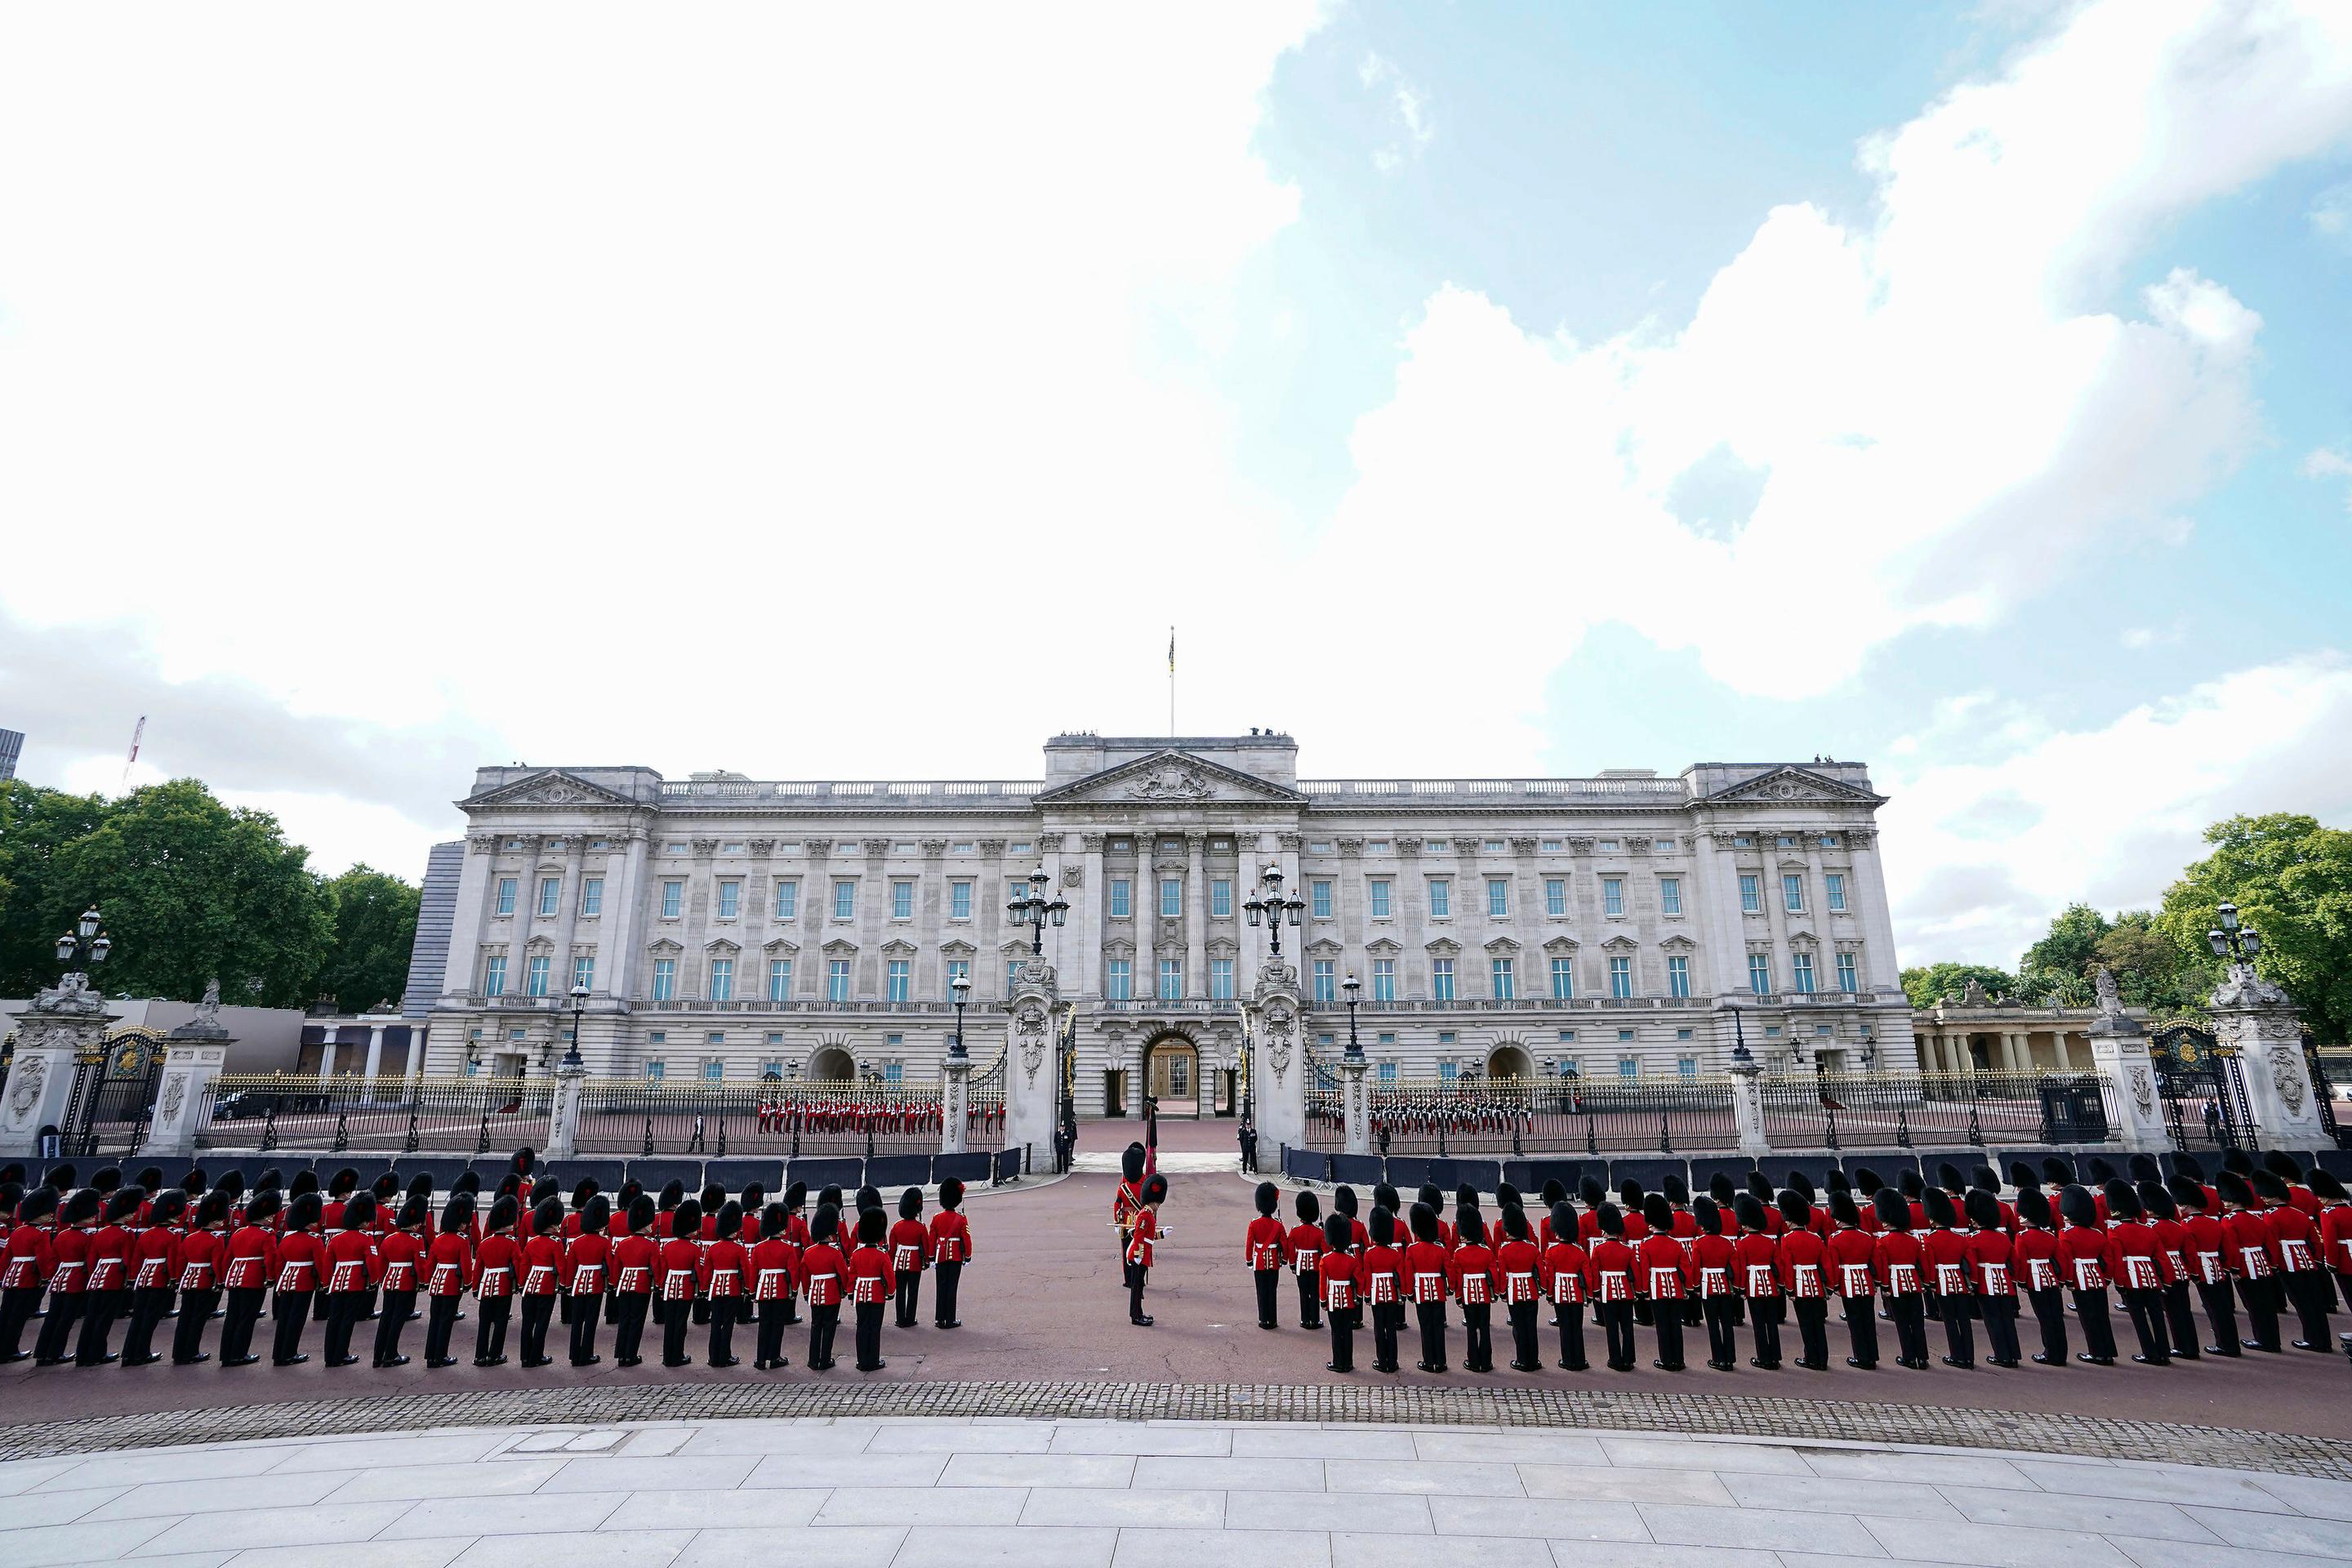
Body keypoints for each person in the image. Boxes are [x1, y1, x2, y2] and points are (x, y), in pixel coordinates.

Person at [2253, 1170, 2333, 1350]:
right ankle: (2324, 1339)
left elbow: (2272, 1243)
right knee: (2315, 1302)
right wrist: (2316, 1259)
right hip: (2308, 1261)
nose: (2262, 1198)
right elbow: (2316, 1240)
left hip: (2287, 1262)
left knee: (2302, 1303)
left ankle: (2313, 1340)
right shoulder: (2299, 1213)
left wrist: (2273, 1264)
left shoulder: (2271, 1215)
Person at [2102, 1180, 2171, 1366]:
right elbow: (2162, 1258)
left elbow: (2118, 1260)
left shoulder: (2115, 1231)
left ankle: (2150, 1353)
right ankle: (2164, 1352)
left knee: (2139, 1319)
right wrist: (2165, 1280)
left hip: (2131, 1280)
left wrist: (2119, 1283)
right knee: (2157, 1316)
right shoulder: (2148, 1230)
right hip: (2151, 1278)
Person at [120, 1186, 186, 1367]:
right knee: (150, 1319)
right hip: (159, 1280)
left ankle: (128, 1353)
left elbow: (136, 1260)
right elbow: (172, 1261)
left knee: (138, 1317)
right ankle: (142, 1353)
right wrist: (174, 1280)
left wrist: (133, 1279)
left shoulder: (146, 1235)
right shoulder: (172, 1236)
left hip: (143, 1278)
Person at [2218, 1170, 2283, 1353]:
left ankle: (2262, 1339)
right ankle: (2273, 1340)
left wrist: (2234, 1268)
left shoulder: (2229, 1220)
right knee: (2267, 1305)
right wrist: (2272, 1264)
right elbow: (2270, 1244)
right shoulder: (2257, 1218)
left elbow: (2232, 1247)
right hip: (2263, 1264)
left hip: (2245, 1266)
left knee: (2253, 1305)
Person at [75, 1186, 140, 1365]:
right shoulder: (126, 1233)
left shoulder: (100, 1233)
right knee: (104, 1318)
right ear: (126, 1214)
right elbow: (128, 1259)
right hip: (113, 1278)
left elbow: (92, 1259)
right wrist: (130, 1280)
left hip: (97, 1277)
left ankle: (83, 1354)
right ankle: (97, 1354)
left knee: (91, 1317)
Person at [216, 1189, 280, 1368]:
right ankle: (239, 1354)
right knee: (247, 1318)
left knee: (232, 1317)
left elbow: (227, 1258)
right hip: (253, 1280)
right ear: (266, 1216)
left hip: (235, 1278)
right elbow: (270, 1259)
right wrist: (270, 1278)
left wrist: (225, 1278)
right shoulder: (267, 1234)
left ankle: (226, 1355)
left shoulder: (239, 1233)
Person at [2056, 1185, 2118, 1365]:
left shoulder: (2066, 1234)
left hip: (2079, 1280)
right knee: (2102, 1316)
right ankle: (2108, 1352)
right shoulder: (2098, 1234)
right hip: (2098, 1279)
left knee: (2088, 1318)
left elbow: (2066, 1260)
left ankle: (2096, 1352)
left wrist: (2067, 1281)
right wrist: (2106, 1278)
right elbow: (2108, 1260)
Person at [319, 1191, 382, 1368]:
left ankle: (329, 1356)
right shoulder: (366, 1238)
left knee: (334, 1318)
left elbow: (327, 1264)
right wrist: (374, 1281)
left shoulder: (336, 1239)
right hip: (355, 1283)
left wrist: (327, 1283)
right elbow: (372, 1263)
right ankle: (341, 1354)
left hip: (337, 1283)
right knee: (348, 1319)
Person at [1871, 1188, 1928, 1370]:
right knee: (1918, 1323)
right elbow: (1922, 1264)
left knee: (1903, 1323)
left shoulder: (1883, 1242)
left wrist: (1884, 1286)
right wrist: (1925, 1283)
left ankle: (1909, 1357)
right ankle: (1923, 1358)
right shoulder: (1913, 1240)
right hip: (1914, 1284)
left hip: (1895, 1286)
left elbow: (1883, 1267)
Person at [1964, 1188, 2021, 1368]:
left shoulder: (1973, 1238)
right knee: (2007, 1320)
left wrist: (1972, 1286)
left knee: (1993, 1320)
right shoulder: (2003, 1237)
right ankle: (2013, 1355)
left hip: (1985, 1284)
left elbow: (1973, 1266)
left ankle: (2001, 1355)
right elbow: (2014, 1262)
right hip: (2005, 1283)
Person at [1, 1186, 58, 1363]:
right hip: (27, 1279)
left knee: (5, 1315)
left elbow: (5, 1257)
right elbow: (43, 1258)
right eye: (47, 1213)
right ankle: (10, 1350)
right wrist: (46, 1277)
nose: (50, 1216)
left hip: (11, 1278)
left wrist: (2, 1276)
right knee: (17, 1318)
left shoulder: (17, 1232)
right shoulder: (40, 1234)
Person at [267, 1192, 324, 1367]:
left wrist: (278, 1282)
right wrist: (324, 1282)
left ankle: (278, 1354)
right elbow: (320, 1264)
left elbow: (279, 1263)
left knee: (284, 1318)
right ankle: (290, 1353)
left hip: (286, 1281)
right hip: (304, 1282)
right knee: (296, 1319)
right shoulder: (314, 1239)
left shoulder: (286, 1239)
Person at [1920, 1187, 1976, 1369]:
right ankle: (1969, 1357)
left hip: (1942, 1283)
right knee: (1964, 1320)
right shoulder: (1961, 1238)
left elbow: (1929, 1264)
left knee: (1950, 1320)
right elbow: (1969, 1263)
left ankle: (1957, 1355)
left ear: (1932, 1218)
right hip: (1960, 1282)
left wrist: (1929, 1283)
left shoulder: (1930, 1238)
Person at [1825, 1190, 1878, 1370]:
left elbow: (1834, 1266)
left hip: (1848, 1284)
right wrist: (1876, 1281)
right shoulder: (1867, 1237)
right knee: (1868, 1319)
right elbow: (1875, 1262)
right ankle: (1872, 1356)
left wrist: (1835, 1285)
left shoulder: (1835, 1239)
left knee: (1855, 1322)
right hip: (1866, 1282)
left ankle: (1861, 1357)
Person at [374, 1196, 428, 1368]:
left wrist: (382, 1280)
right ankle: (391, 1355)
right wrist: (423, 1282)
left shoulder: (388, 1239)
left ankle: (378, 1356)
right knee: (398, 1319)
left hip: (389, 1282)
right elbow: (420, 1265)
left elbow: (382, 1264)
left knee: (386, 1318)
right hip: (406, 1283)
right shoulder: (416, 1240)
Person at [424, 1193, 475, 1369]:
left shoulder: (438, 1239)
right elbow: (466, 1265)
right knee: (446, 1321)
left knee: (435, 1320)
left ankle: (430, 1356)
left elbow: (430, 1264)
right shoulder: (462, 1240)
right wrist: (467, 1283)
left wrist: (427, 1281)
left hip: (436, 1284)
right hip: (452, 1285)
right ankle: (440, 1356)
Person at [1735, 1193, 1785, 1370]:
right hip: (1770, 1285)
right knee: (1771, 1322)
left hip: (1753, 1286)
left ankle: (1764, 1357)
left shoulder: (1742, 1243)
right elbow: (1778, 1266)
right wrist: (1779, 1285)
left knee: (1759, 1324)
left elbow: (1741, 1268)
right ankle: (1775, 1357)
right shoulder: (1770, 1242)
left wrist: (1741, 1289)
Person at [474, 1194, 523, 1368]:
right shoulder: (512, 1243)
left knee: (484, 1323)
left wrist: (475, 1288)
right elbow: (518, 1264)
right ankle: (495, 1355)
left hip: (486, 1286)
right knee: (501, 1322)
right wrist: (520, 1284)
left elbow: (478, 1269)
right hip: (503, 1287)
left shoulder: (485, 1243)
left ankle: (480, 1356)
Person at [1690, 1196, 1740, 1371]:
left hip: (1707, 1287)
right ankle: (1730, 1359)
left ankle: (1719, 1359)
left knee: (1713, 1325)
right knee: (1727, 1324)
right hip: (1725, 1287)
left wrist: (1696, 1286)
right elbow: (1734, 1268)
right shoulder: (1727, 1243)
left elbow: (1696, 1268)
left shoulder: (1699, 1243)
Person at [514, 1196, 564, 1369]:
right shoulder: (555, 1243)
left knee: (527, 1323)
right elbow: (561, 1266)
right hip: (546, 1288)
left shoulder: (532, 1243)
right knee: (542, 1324)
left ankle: (525, 1357)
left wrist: (522, 1284)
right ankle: (536, 1356)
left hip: (529, 1287)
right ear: (552, 1225)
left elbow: (524, 1265)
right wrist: (563, 1284)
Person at [1539, 1200, 1589, 1371]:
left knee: (1565, 1327)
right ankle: (1580, 1359)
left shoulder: (1551, 1252)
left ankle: (1567, 1359)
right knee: (1577, 1327)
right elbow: (1587, 1275)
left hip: (1560, 1293)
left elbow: (1550, 1277)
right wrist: (1589, 1295)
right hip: (1577, 1293)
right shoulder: (1580, 1251)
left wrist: (1550, 1295)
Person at [1586, 1201, 1637, 1371]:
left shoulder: (1599, 1249)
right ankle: (1628, 1359)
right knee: (1627, 1328)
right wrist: (1636, 1291)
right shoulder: (1627, 1249)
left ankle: (1615, 1359)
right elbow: (1635, 1273)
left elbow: (1595, 1273)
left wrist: (1596, 1292)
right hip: (1626, 1293)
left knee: (1612, 1329)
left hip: (1607, 1292)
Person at [1403, 1202, 1452, 1372]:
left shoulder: (1412, 1249)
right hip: (1438, 1292)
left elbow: (1409, 1273)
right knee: (1438, 1326)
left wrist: (1409, 1292)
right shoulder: (1440, 1249)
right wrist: (1451, 1287)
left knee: (1425, 1327)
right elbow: (1449, 1270)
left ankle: (1429, 1361)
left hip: (1421, 1292)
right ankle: (1441, 1362)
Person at [848, 1206, 898, 1368]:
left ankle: (861, 1360)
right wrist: (891, 1292)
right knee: (875, 1328)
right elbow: (890, 1276)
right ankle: (873, 1360)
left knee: (861, 1326)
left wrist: (851, 1294)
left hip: (860, 1294)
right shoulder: (882, 1254)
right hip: (877, 1294)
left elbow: (852, 1276)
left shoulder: (856, 1254)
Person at [1449, 1207, 1499, 1373]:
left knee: (1471, 1329)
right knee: (1484, 1328)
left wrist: (1458, 1297)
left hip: (1468, 1295)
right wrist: (1495, 1293)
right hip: (1484, 1295)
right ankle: (1486, 1361)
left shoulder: (1459, 1253)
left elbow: (1458, 1278)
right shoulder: (1487, 1252)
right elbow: (1493, 1274)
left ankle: (1473, 1361)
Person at [656, 1196, 703, 1369]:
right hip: (685, 1289)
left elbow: (663, 1270)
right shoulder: (695, 1248)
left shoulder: (668, 1247)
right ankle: (677, 1356)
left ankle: (667, 1357)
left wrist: (661, 1287)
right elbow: (699, 1271)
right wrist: (702, 1289)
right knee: (680, 1324)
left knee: (669, 1323)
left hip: (669, 1287)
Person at [1496, 1205, 1544, 1373]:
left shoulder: (1504, 1250)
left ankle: (1522, 1360)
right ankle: (1533, 1360)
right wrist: (1543, 1288)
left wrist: (1502, 1293)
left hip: (1514, 1292)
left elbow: (1503, 1275)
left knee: (1518, 1327)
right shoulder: (1532, 1247)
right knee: (1531, 1326)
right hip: (1531, 1291)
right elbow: (1541, 1272)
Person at [801, 1204, 849, 1371]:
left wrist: (806, 1293)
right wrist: (845, 1290)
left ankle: (813, 1360)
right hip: (831, 1294)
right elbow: (843, 1274)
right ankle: (825, 1359)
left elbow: (805, 1276)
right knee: (829, 1327)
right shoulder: (835, 1252)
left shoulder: (809, 1252)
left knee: (816, 1326)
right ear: (830, 1233)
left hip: (815, 1294)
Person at [750, 1202, 795, 1370]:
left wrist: (753, 1292)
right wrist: (794, 1290)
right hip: (781, 1291)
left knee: (764, 1325)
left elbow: (753, 1272)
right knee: (777, 1325)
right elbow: (793, 1272)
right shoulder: (787, 1248)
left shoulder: (759, 1248)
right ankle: (774, 1358)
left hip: (763, 1290)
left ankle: (761, 1360)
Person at [1362, 1206, 1405, 1374]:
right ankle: (1393, 1362)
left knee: (1379, 1328)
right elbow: (1400, 1276)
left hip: (1376, 1295)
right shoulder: (1395, 1254)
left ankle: (1382, 1361)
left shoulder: (1369, 1254)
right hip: (1392, 1295)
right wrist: (1402, 1294)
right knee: (1391, 1328)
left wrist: (1367, 1296)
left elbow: (1367, 1277)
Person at [926, 1178, 970, 1330]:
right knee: (952, 1288)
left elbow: (932, 1239)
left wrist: (931, 1257)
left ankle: (939, 1319)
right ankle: (950, 1319)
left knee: (941, 1287)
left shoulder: (937, 1218)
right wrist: (968, 1256)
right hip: (956, 1257)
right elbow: (966, 1239)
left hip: (940, 1256)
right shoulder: (961, 1218)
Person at [1319, 1211, 1358, 1372]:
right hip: (1349, 1300)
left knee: (1336, 1331)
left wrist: (1323, 1301)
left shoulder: (1326, 1260)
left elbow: (1323, 1283)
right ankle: (1348, 1362)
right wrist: (1358, 1297)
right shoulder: (1352, 1259)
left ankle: (1338, 1362)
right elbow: (1360, 1280)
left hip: (1333, 1300)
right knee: (1347, 1331)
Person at [1126, 1173, 1167, 1328]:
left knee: (1139, 1286)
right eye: (1158, 1203)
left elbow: (1149, 1236)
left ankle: (1138, 1313)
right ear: (1154, 1201)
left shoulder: (1148, 1214)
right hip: (1140, 1255)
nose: (1159, 1206)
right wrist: (1138, 1254)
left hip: (1143, 1254)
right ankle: (1135, 1316)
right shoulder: (1145, 1214)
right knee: (1136, 1287)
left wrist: (1163, 1234)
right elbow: (1139, 1236)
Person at [889, 1188, 929, 1330]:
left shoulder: (896, 1226)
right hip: (915, 1263)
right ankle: (910, 1318)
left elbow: (892, 1249)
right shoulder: (921, 1227)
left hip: (899, 1262)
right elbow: (926, 1246)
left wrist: (891, 1261)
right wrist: (927, 1262)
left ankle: (900, 1319)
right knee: (913, 1292)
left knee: (900, 1292)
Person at [1287, 1190, 1324, 1330]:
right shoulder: (1319, 1231)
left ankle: (1305, 1319)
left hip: (1300, 1266)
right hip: (1315, 1266)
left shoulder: (1295, 1230)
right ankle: (1315, 1320)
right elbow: (1326, 1250)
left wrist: (1292, 1264)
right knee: (1314, 1293)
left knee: (1303, 1293)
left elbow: (1291, 1249)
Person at [1114, 1143, 1147, 1293]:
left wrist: (1117, 1222)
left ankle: (1129, 1280)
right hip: (1141, 1221)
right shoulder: (1145, 1183)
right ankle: (1139, 1279)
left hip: (1126, 1222)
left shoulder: (1123, 1187)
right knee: (1141, 1250)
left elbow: (1117, 1204)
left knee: (1127, 1252)